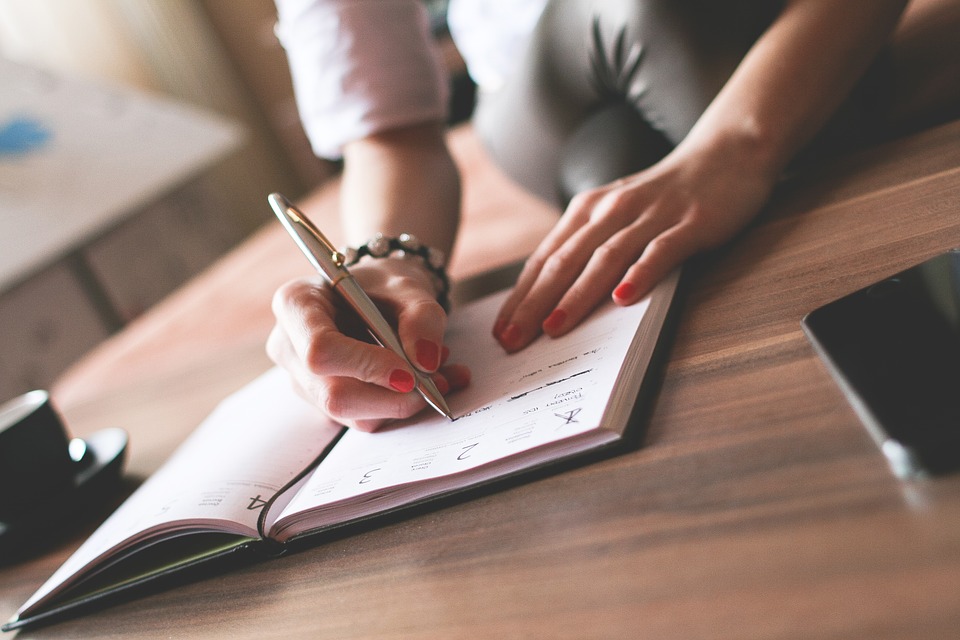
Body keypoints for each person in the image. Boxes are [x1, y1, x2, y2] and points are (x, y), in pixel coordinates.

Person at [269, 0, 960, 432]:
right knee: (615, 141)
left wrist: (734, 147)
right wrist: (388, 263)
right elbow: (389, 134)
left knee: (644, 62)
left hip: (733, 32)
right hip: (545, 111)